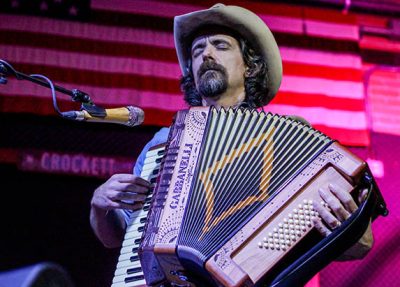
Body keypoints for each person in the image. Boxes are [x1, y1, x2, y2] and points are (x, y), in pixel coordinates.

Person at [90, 4, 373, 261]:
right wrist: (99, 204)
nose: (207, 55)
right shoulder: (163, 144)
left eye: (220, 46)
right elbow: (114, 236)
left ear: (249, 66)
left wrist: (345, 228)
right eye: (197, 51)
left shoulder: (290, 139)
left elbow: (362, 243)